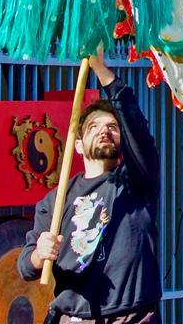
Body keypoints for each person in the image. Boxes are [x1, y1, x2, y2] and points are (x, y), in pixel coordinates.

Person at [18, 49, 162, 323]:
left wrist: (102, 70)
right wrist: (39, 254)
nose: (104, 130)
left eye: (112, 127)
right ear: (78, 145)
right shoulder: (56, 200)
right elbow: (25, 266)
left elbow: (137, 129)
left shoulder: (137, 184)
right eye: (94, 127)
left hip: (130, 317)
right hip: (73, 316)